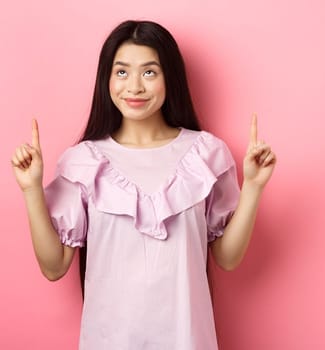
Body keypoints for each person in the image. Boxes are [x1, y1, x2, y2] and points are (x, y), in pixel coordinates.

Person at [9, 20, 276, 349]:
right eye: (121, 72)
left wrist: (253, 186)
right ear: (106, 79)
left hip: (187, 340)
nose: (134, 86)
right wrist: (31, 189)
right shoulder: (82, 162)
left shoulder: (207, 154)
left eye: (149, 72)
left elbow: (228, 258)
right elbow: (53, 267)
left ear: (170, 79)